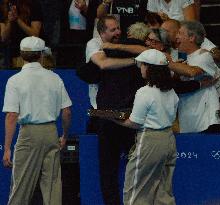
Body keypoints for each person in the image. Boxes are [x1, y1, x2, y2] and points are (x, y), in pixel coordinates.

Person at [2, 36, 72, 205]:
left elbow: (11, 116)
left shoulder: (15, 81)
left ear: (20, 54)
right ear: (41, 55)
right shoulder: (55, 78)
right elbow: (67, 112)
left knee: (21, 186)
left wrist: (7, 148)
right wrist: (64, 135)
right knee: (53, 186)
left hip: (28, 135)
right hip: (51, 133)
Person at [85, 15, 143, 205]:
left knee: (136, 166)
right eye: (112, 30)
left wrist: (118, 47)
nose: (118, 32)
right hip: (104, 114)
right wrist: (134, 61)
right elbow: (103, 64)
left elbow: (145, 50)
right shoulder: (93, 44)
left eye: (118, 28)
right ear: (101, 33)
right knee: (108, 169)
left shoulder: (121, 44)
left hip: (129, 113)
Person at [109, 49, 178, 205]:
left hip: (149, 140)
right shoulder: (171, 91)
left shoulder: (144, 92)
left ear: (149, 67)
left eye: (141, 65)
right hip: (168, 139)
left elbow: (134, 122)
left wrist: (113, 119)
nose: (140, 68)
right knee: (163, 192)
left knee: (135, 190)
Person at [168, 21, 220, 133]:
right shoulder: (187, 59)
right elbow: (178, 85)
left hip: (205, 118)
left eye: (180, 33)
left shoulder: (204, 56)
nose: (176, 36)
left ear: (191, 38)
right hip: (189, 114)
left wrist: (167, 63)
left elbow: (193, 72)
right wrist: (177, 72)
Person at [0, 0, 43, 67]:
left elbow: (35, 34)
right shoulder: (4, 6)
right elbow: (3, 37)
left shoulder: (33, 4)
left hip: (34, 53)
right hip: (13, 55)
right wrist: (10, 20)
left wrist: (17, 19)